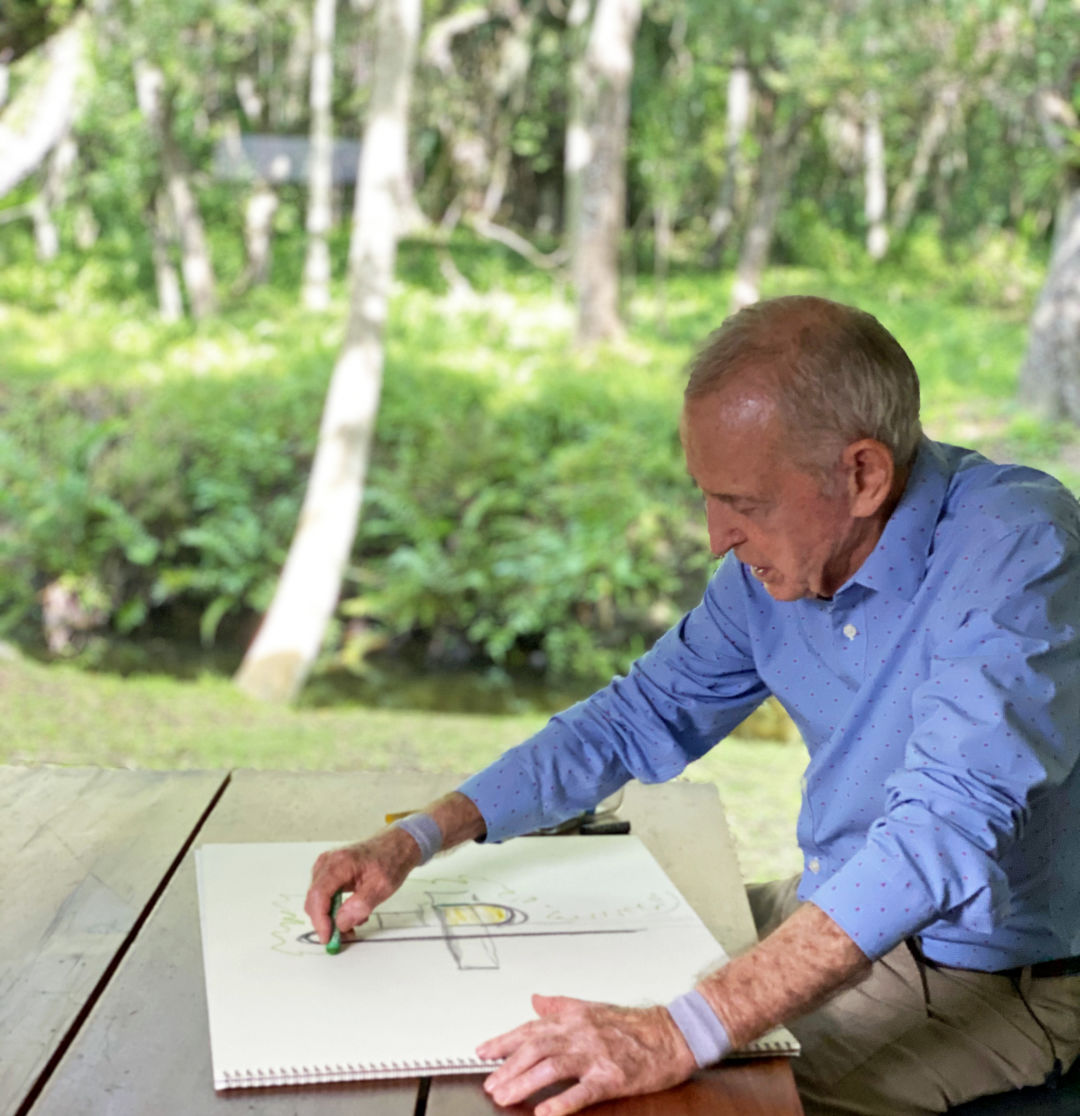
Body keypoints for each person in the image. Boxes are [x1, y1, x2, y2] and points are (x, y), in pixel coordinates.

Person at [305, 296, 1080, 1116]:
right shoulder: (776, 570)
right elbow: (633, 716)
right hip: (828, 903)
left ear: (863, 475)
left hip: (988, 973)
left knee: (626, 1097)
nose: (716, 538)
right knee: (539, 1003)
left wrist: (678, 1033)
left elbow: (937, 839)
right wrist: (419, 837)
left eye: (743, 504)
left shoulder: (1021, 555)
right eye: (708, 497)